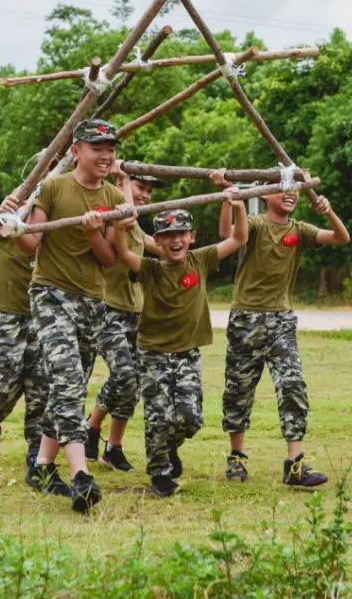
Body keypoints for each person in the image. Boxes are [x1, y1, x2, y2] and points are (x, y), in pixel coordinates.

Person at [0, 118, 125, 512]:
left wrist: (92, 234)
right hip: (51, 296)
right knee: (68, 380)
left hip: (92, 302)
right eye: (96, 148)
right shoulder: (53, 187)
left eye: (110, 149)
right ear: (76, 151)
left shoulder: (116, 200)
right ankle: (81, 475)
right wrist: (13, 226)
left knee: (67, 386)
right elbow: (31, 245)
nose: (105, 156)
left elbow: (110, 260)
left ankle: (41, 467)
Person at [210, 170, 349, 487]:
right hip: (246, 319)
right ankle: (236, 457)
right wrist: (231, 198)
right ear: (264, 194)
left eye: (294, 189)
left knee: (292, 386)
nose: (289, 194)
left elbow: (341, 238)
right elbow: (230, 233)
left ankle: (295, 464)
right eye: (281, 188)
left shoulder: (301, 230)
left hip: (282, 320)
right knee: (239, 391)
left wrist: (327, 211)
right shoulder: (257, 225)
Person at [112, 198, 248, 497]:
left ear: (192, 237)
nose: (176, 240)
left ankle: (169, 446)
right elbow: (122, 252)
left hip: (187, 352)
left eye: (182, 234)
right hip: (153, 354)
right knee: (157, 415)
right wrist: (121, 226)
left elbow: (238, 238)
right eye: (168, 236)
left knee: (191, 417)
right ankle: (159, 473)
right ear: (157, 241)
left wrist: (238, 206)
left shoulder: (200, 259)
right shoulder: (150, 269)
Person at [84, 168, 166, 472]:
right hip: (107, 309)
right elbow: (121, 212)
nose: (144, 194)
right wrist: (120, 180)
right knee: (124, 375)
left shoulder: (138, 231)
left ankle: (113, 446)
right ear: (121, 186)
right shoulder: (110, 220)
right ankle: (92, 426)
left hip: (136, 312)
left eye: (148, 190)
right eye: (138, 186)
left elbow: (166, 249)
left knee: (134, 383)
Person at [0, 235, 45, 475]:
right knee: (5, 385)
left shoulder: (55, 210)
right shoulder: (11, 213)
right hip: (9, 309)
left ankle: (37, 446)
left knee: (40, 385)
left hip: (45, 310)